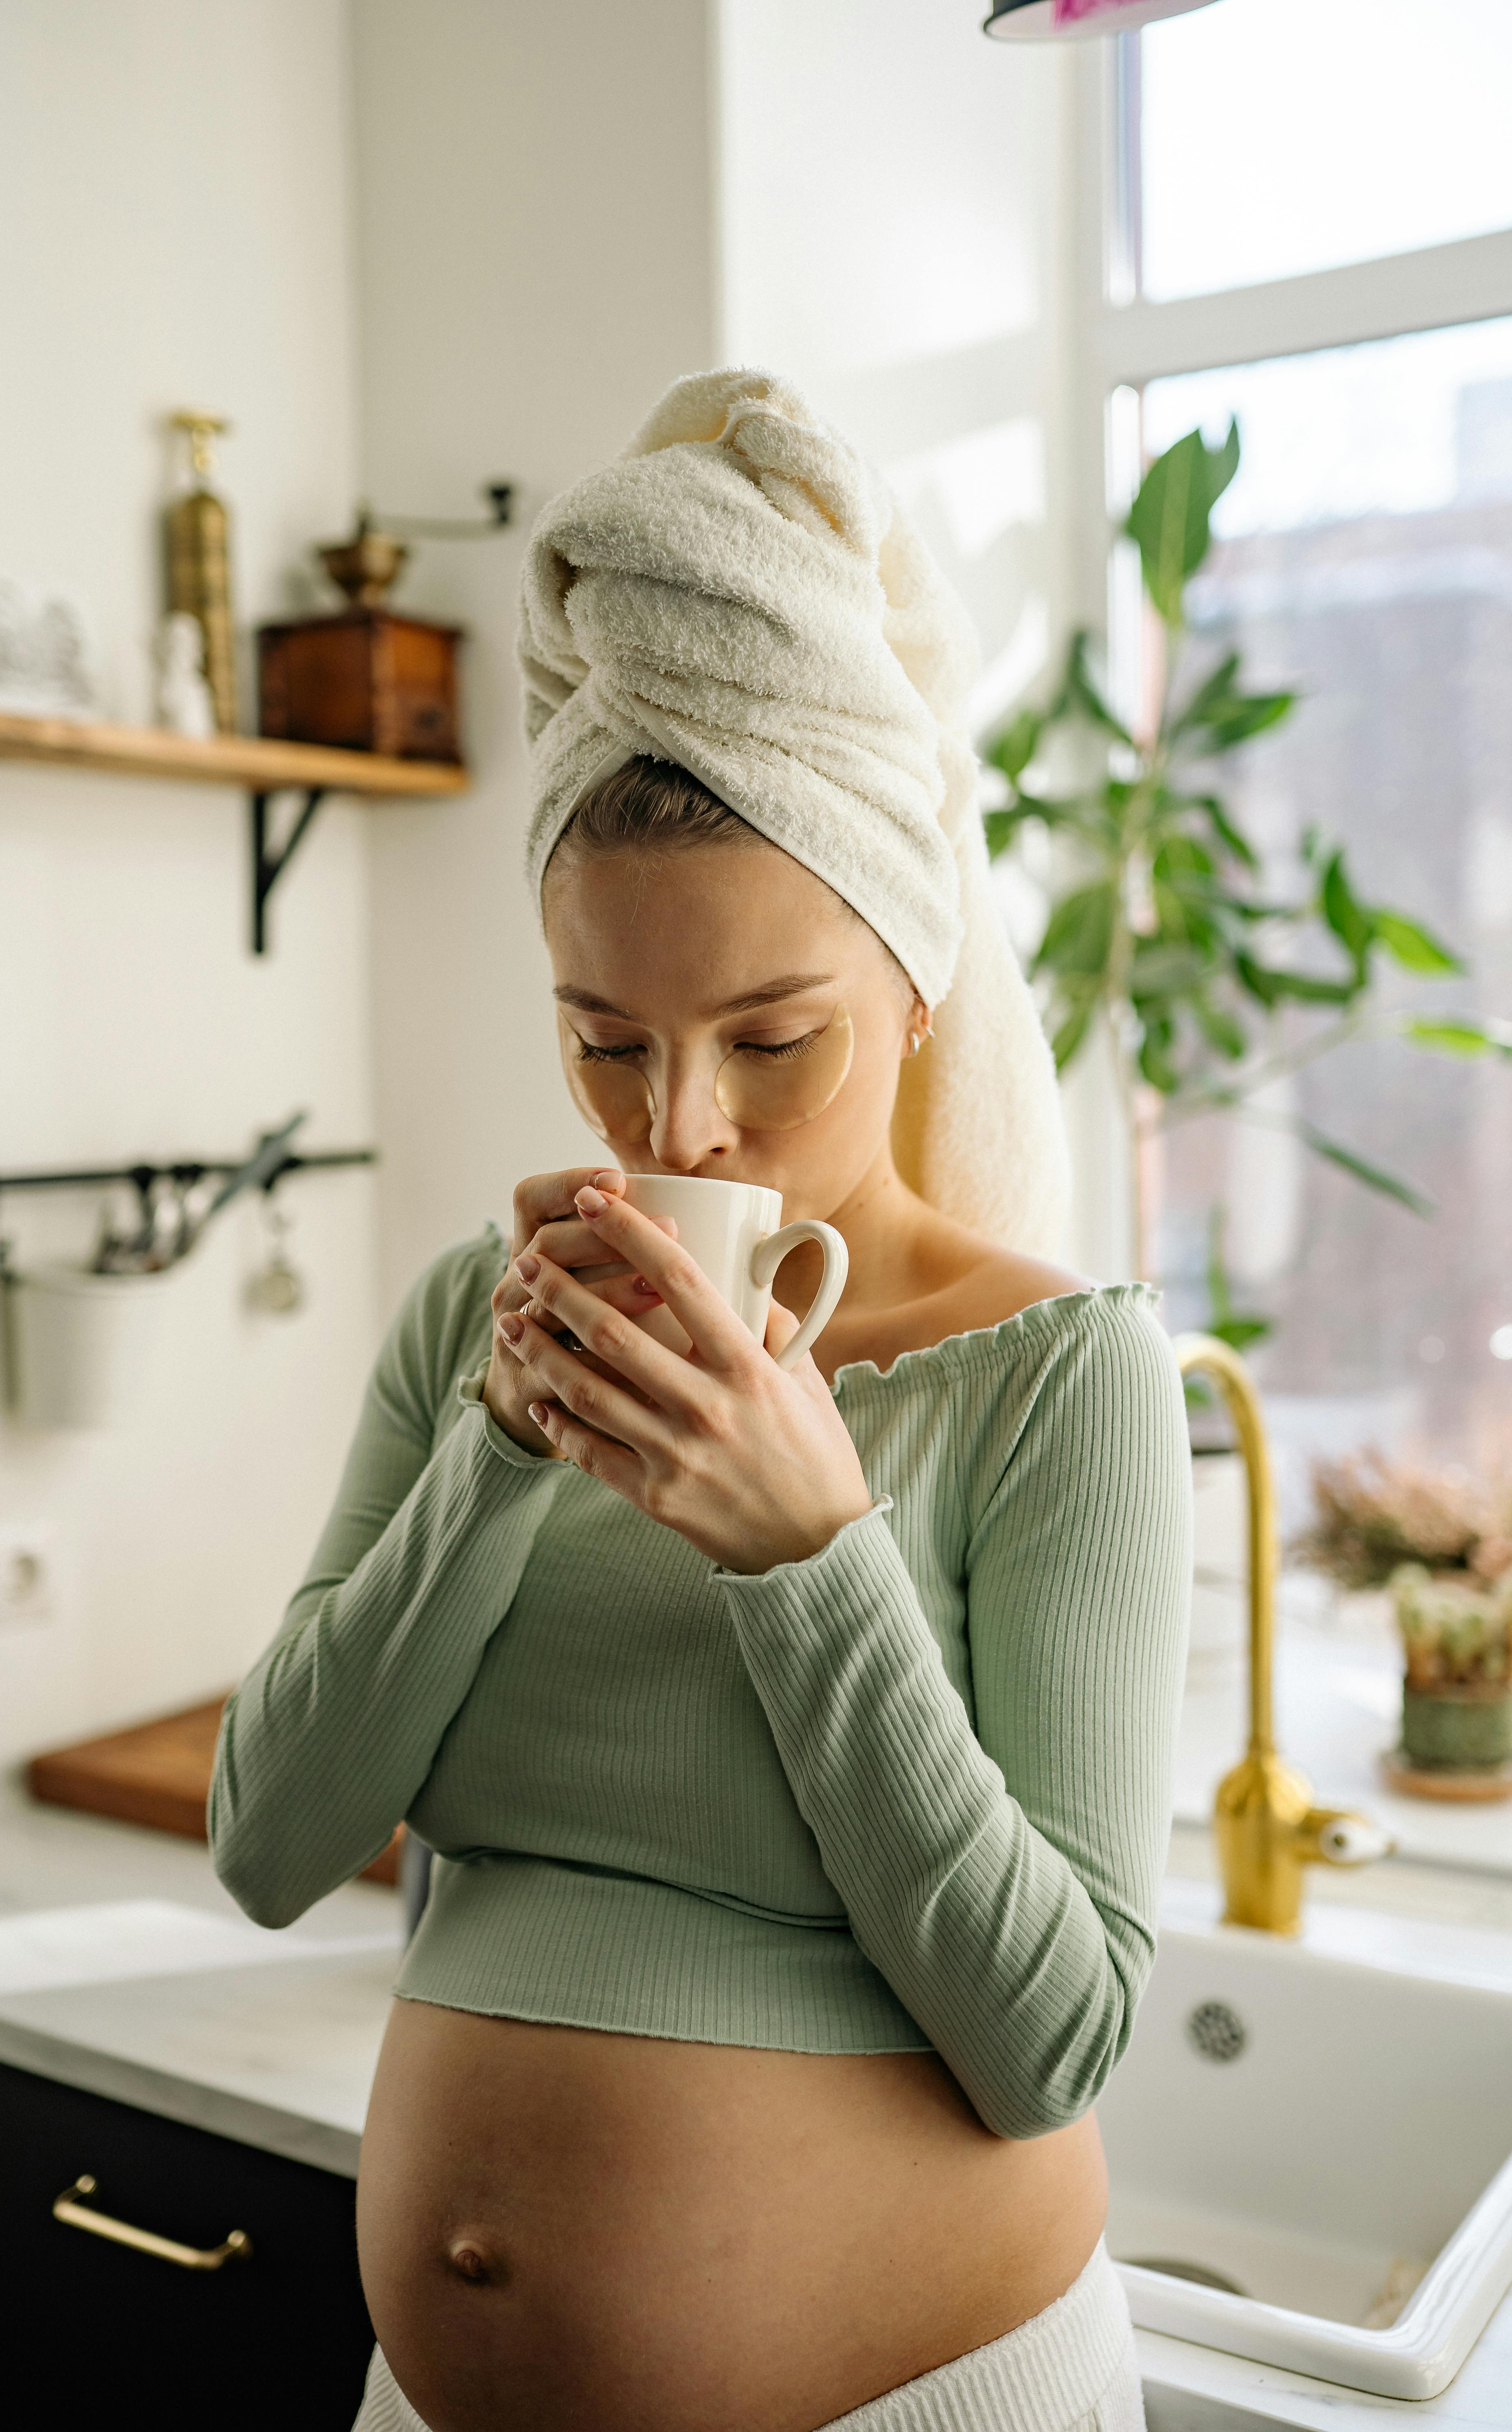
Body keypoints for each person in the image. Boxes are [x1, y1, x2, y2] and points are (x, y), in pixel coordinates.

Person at [210, 371, 1192, 2432]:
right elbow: (272, 1841)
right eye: (604, 1043)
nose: (683, 1129)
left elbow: (1056, 2041)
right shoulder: (475, 1325)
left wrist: (809, 1552)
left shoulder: (1057, 1374)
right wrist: (496, 1449)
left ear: (912, 985)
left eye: (775, 1043)